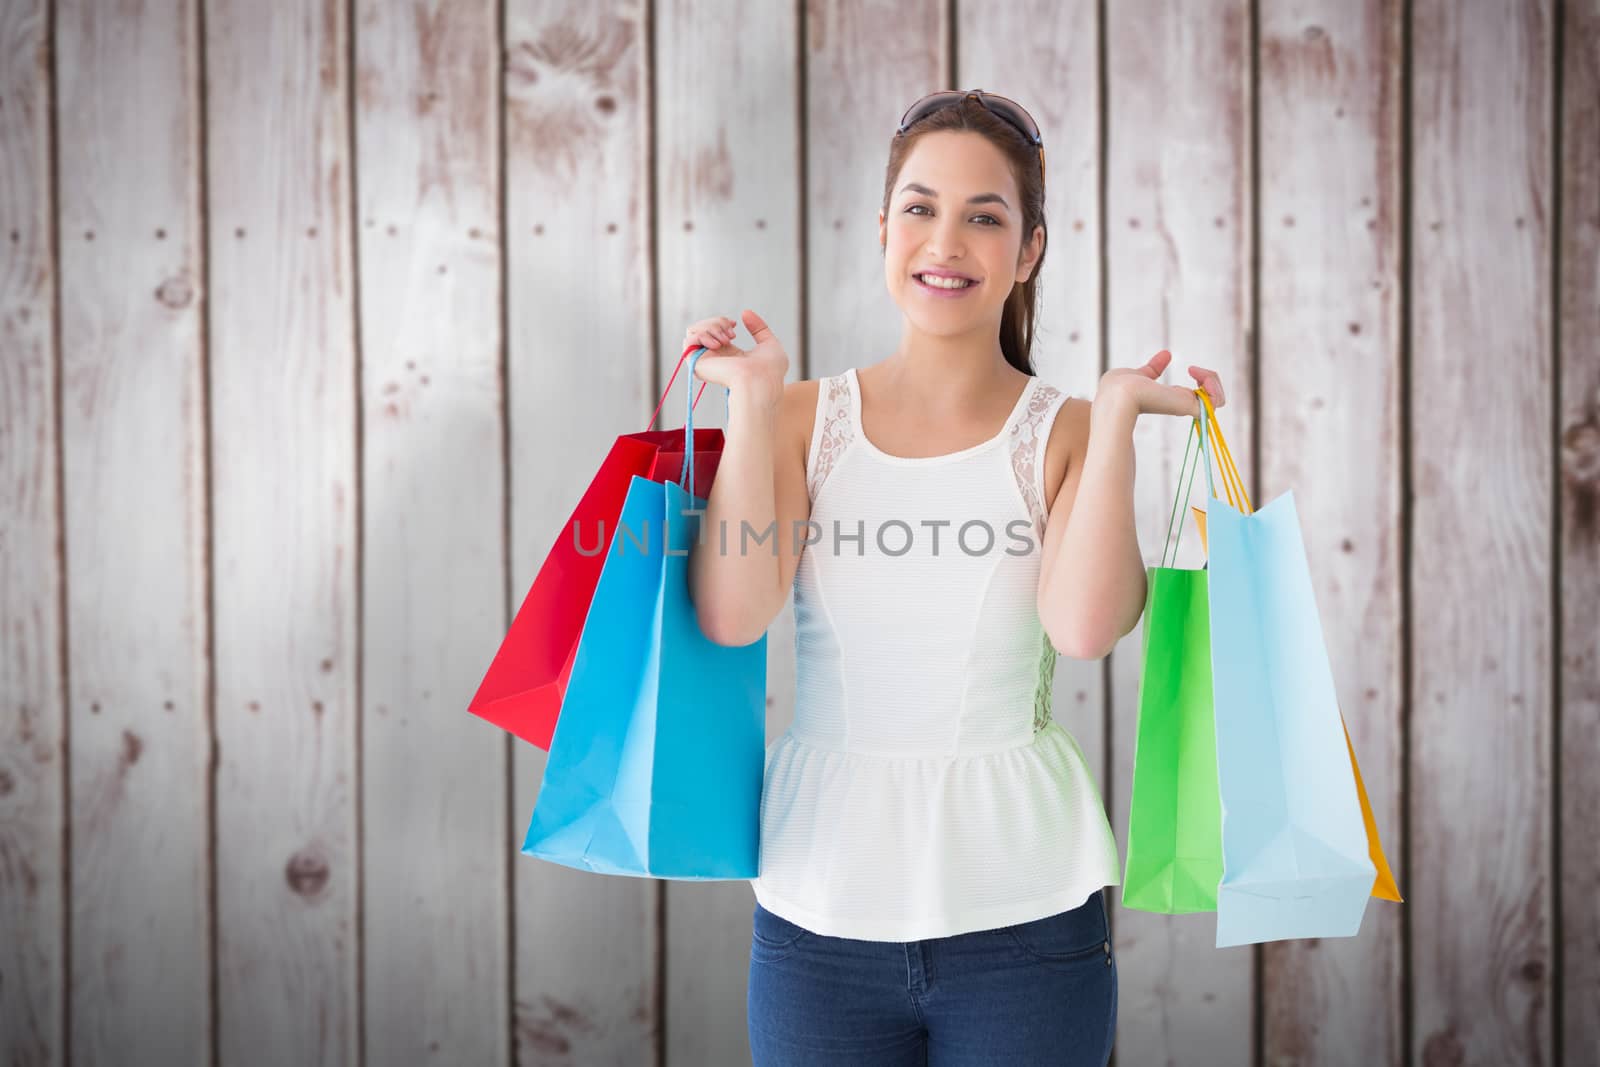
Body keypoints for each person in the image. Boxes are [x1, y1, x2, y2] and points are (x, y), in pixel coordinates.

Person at [683, 89, 1227, 1067]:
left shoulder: (1062, 429)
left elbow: (1083, 627)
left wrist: (1111, 422)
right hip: (820, 909)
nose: (947, 240)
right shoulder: (803, 416)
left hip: (1027, 918)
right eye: (922, 208)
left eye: (986, 216)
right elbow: (732, 614)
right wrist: (755, 404)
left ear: (1027, 252)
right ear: (884, 228)